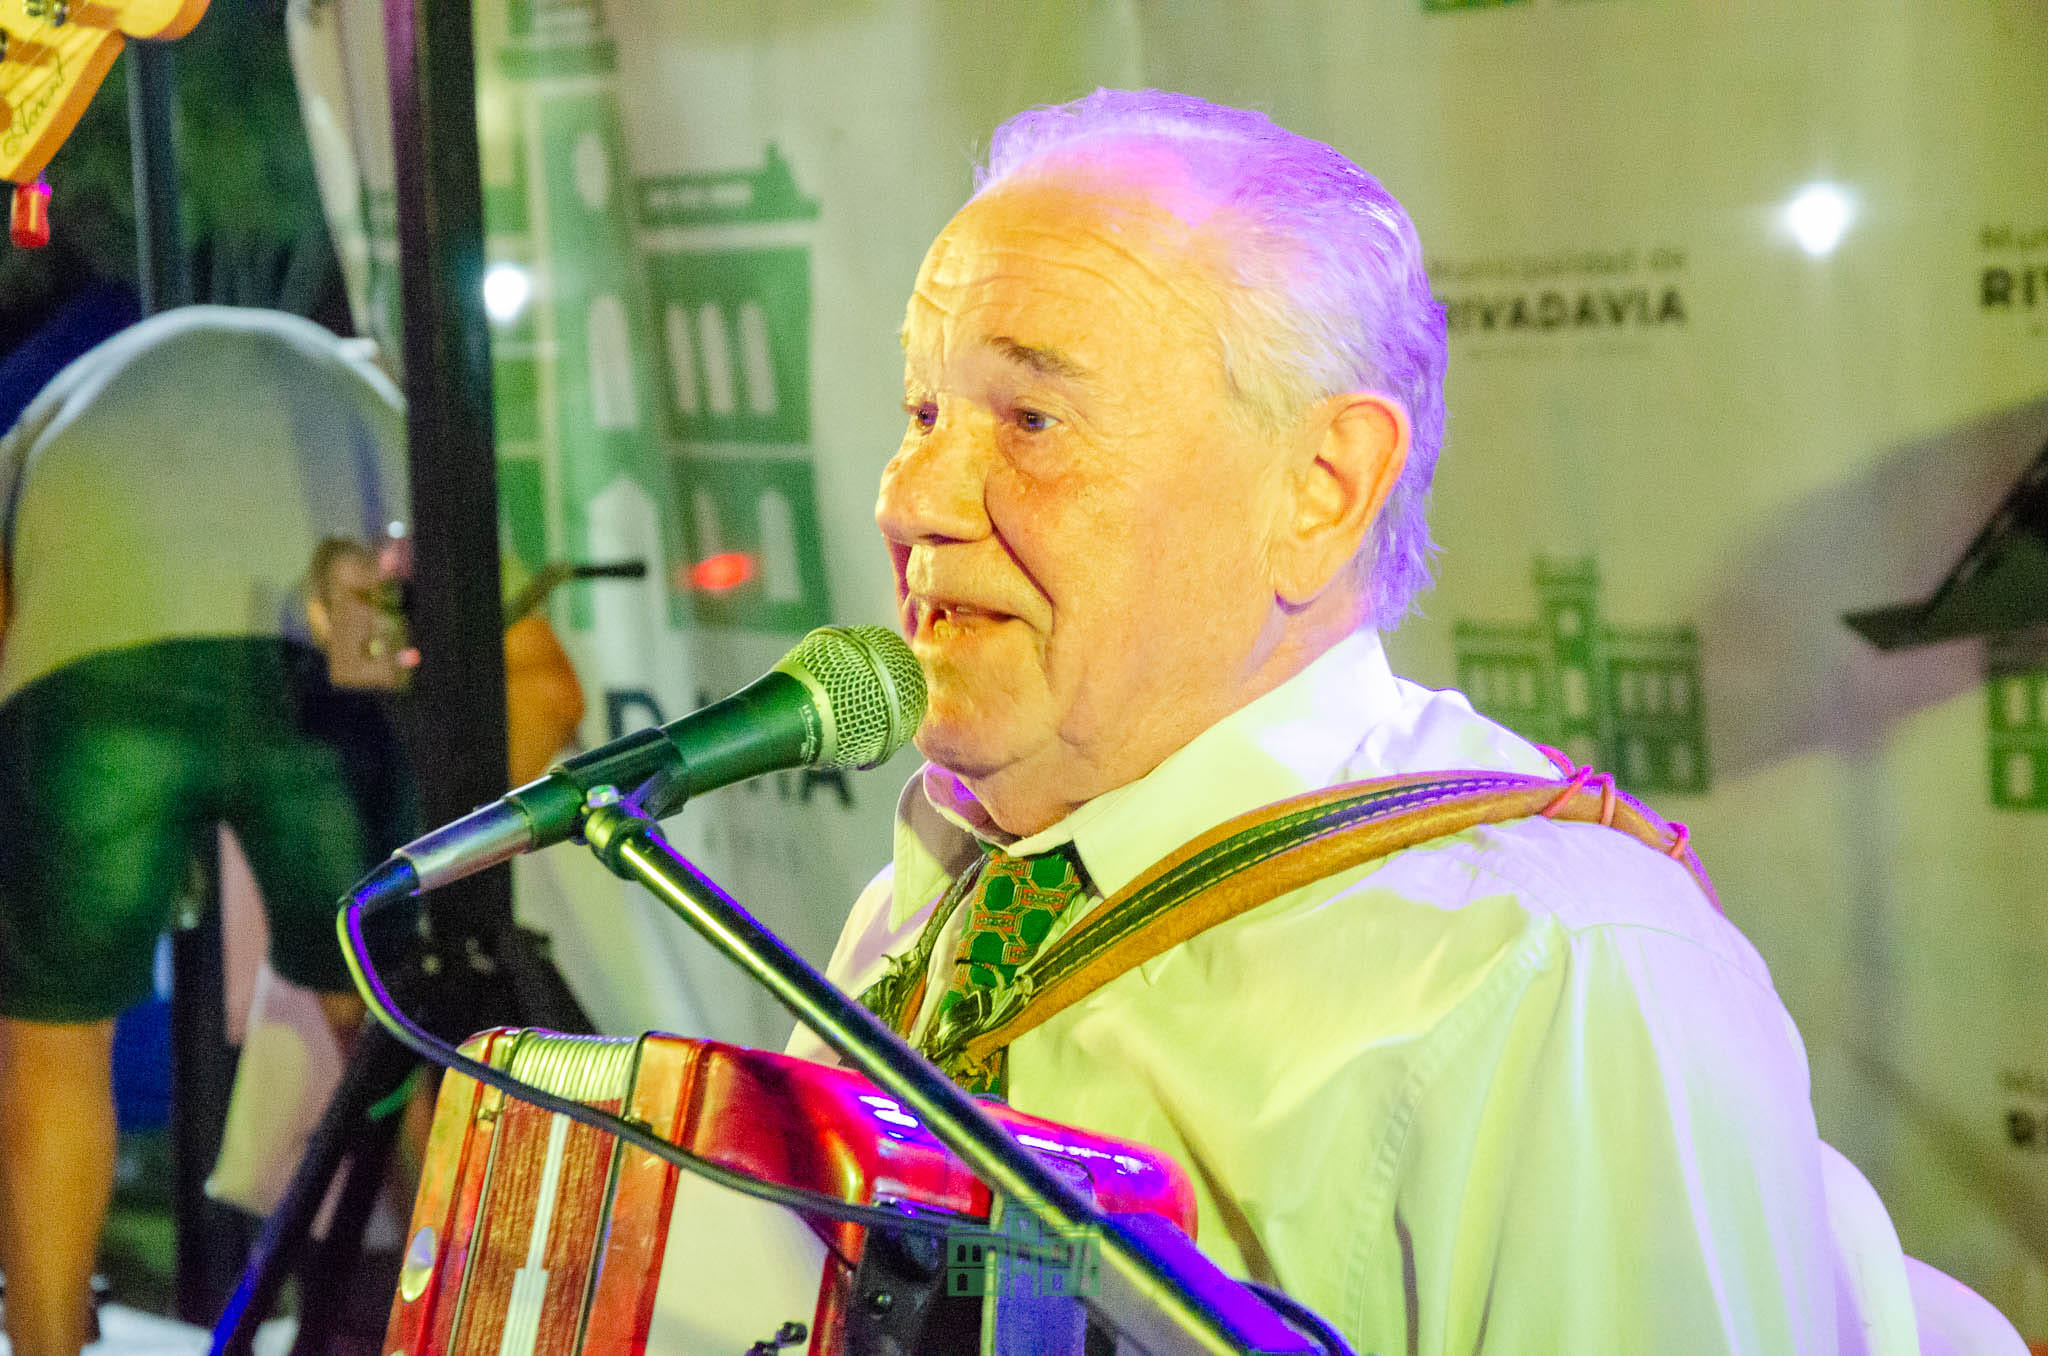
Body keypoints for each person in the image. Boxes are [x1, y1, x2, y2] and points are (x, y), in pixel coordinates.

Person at [788, 90, 1996, 1352]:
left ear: (1320, 489)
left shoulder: (1550, 976)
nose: (909, 498)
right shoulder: (921, 915)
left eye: (1031, 421)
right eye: (922, 413)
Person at [0, 306, 582, 1356]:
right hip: (311, 682)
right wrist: (436, 861)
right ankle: (464, 1335)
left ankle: (43, 1339)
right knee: (393, 1020)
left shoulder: (65, 400)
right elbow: (548, 691)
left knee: (55, 1041)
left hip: (90, 666)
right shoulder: (379, 407)